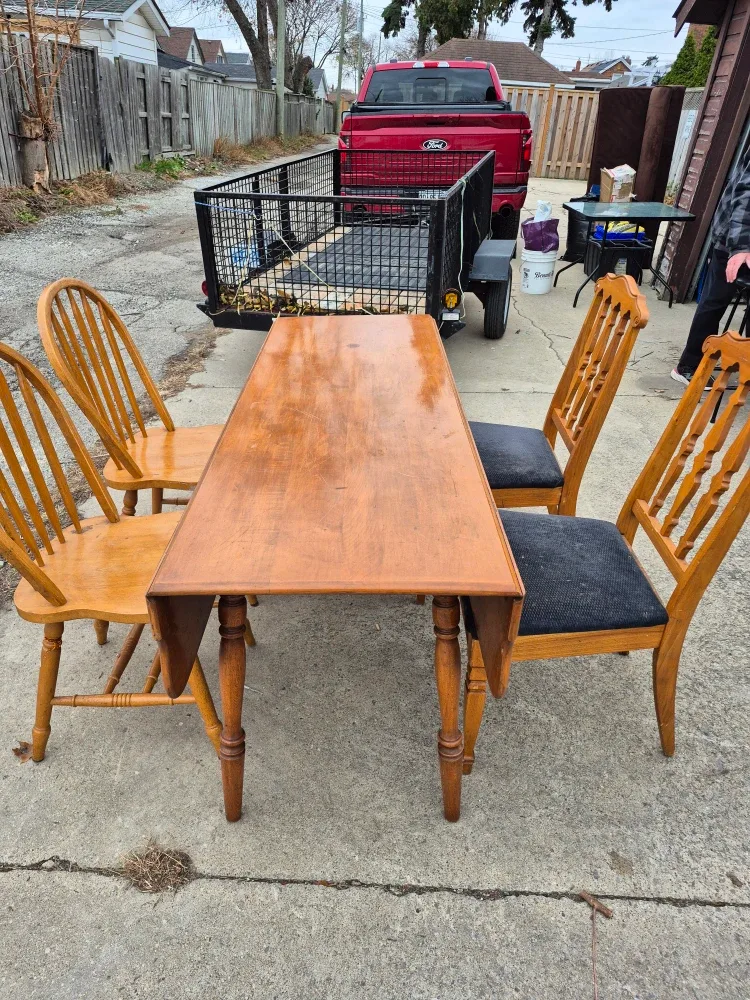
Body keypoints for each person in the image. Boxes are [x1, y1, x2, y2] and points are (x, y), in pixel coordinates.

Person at [671, 142, 750, 386]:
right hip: (736, 242)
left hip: (734, 239)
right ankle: (688, 366)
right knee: (714, 301)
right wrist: (741, 247)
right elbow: (747, 197)